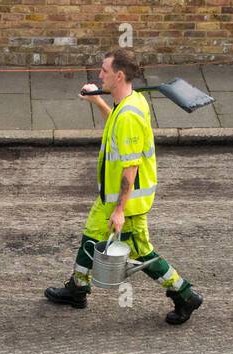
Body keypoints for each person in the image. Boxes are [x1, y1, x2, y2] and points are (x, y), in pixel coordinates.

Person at [44, 48, 203, 325]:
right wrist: (96, 100)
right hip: (111, 197)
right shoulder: (133, 101)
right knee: (91, 236)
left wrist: (120, 210)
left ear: (118, 76)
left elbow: (131, 169)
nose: (99, 74)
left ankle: (183, 293)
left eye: (104, 71)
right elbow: (114, 127)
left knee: (142, 251)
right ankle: (78, 289)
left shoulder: (130, 114)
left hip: (126, 202)